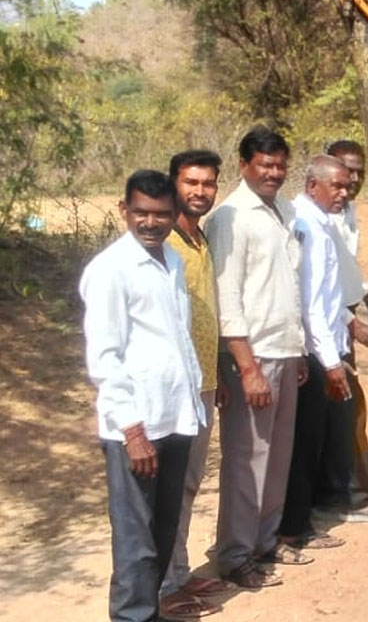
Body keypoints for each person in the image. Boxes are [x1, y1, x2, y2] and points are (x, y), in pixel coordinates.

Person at [81, 170, 205, 622]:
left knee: (163, 531)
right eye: (141, 213)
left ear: (174, 215)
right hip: (136, 428)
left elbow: (177, 340)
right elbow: (105, 357)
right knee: (136, 541)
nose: (151, 223)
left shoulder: (169, 259)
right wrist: (132, 430)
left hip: (175, 418)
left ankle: (148, 612)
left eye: (161, 214)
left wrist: (193, 404)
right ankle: (132, 616)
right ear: (124, 211)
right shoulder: (110, 271)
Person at [206, 126, 307, 588]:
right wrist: (246, 367)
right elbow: (228, 296)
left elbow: (288, 288)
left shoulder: (283, 210)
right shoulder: (231, 216)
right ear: (245, 165)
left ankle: (266, 542)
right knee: (248, 458)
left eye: (280, 165)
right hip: (253, 355)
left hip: (285, 350)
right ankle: (235, 554)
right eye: (265, 165)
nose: (274, 173)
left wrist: (299, 347)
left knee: (278, 455)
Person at [312, 139, 368, 524]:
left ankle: (344, 487)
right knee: (342, 407)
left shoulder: (347, 211)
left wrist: (367, 293)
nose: (353, 180)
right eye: (346, 172)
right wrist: (352, 322)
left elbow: (346, 268)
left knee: (342, 407)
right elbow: (317, 289)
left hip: (339, 318)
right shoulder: (319, 218)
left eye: (359, 173)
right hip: (325, 324)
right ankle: (342, 493)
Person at [160, 150, 232, 619]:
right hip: (172, 388)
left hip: (204, 382)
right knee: (167, 489)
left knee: (187, 486)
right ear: (174, 184)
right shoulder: (163, 241)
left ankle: (179, 571)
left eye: (208, 183)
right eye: (191, 182)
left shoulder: (199, 238)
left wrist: (218, 372)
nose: (200, 191)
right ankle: (163, 588)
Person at [280, 156, 359, 550]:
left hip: (326, 345)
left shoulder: (323, 223)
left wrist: (347, 321)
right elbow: (309, 302)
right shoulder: (305, 225)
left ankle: (306, 518)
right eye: (338, 187)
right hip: (313, 352)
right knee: (305, 443)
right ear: (314, 186)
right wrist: (330, 363)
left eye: (346, 186)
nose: (345, 193)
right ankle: (295, 528)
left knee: (319, 438)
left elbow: (329, 297)